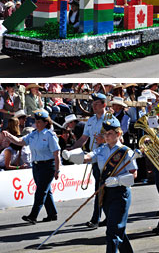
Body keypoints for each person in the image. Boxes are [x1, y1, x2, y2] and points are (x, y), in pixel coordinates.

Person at [63, 115, 138, 253]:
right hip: (105, 194)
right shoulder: (102, 149)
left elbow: (134, 174)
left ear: (118, 134)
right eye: (105, 133)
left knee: (112, 232)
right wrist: (71, 156)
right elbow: (88, 157)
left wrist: (118, 180)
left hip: (120, 194)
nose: (107, 136)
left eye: (110, 133)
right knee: (116, 229)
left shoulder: (126, 152)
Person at [3, 109, 61, 224]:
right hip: (36, 166)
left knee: (40, 191)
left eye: (40, 122)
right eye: (36, 121)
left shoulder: (50, 135)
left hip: (48, 165)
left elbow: (56, 153)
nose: (37, 124)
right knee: (45, 190)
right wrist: (9, 136)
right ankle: (52, 213)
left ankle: (33, 215)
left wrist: (57, 170)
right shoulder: (33, 134)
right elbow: (20, 142)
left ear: (46, 122)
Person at [70, 92, 108, 229]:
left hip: (107, 159)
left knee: (101, 189)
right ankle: (107, 217)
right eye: (93, 103)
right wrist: (71, 150)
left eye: (97, 103)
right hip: (95, 158)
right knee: (100, 189)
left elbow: (119, 139)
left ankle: (96, 219)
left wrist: (104, 140)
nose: (94, 105)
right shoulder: (91, 121)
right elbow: (83, 138)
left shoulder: (110, 119)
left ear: (104, 105)